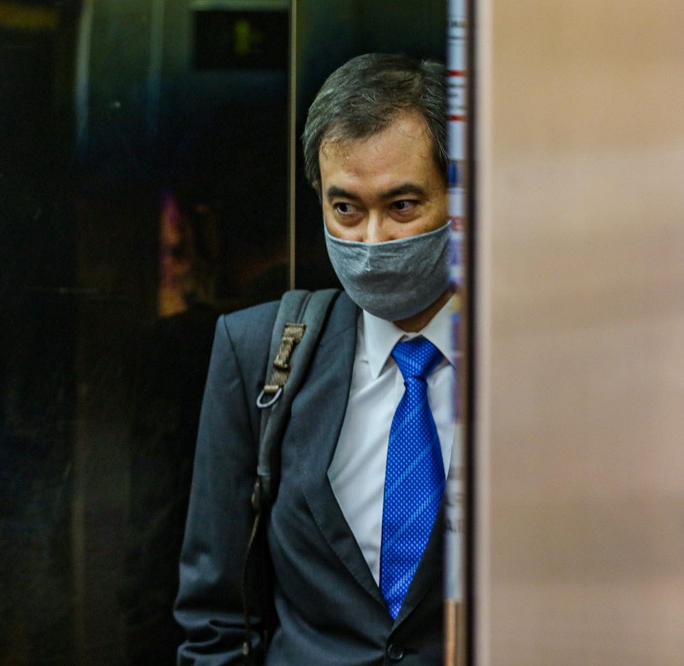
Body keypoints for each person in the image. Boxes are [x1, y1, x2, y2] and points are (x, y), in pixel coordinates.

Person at [174, 53, 454, 665]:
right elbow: (214, 612)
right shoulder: (257, 352)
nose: (372, 241)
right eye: (346, 209)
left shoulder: (537, 368)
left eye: (402, 206)